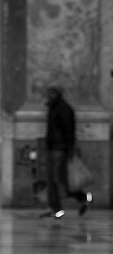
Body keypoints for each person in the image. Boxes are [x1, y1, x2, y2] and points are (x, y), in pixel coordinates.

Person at [39, 86, 92, 219]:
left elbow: (69, 130)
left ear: (58, 94)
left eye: (52, 92)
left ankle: (84, 197)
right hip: (53, 148)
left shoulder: (64, 109)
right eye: (49, 92)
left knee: (59, 180)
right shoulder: (53, 108)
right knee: (51, 180)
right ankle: (56, 210)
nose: (49, 95)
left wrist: (70, 149)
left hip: (60, 149)